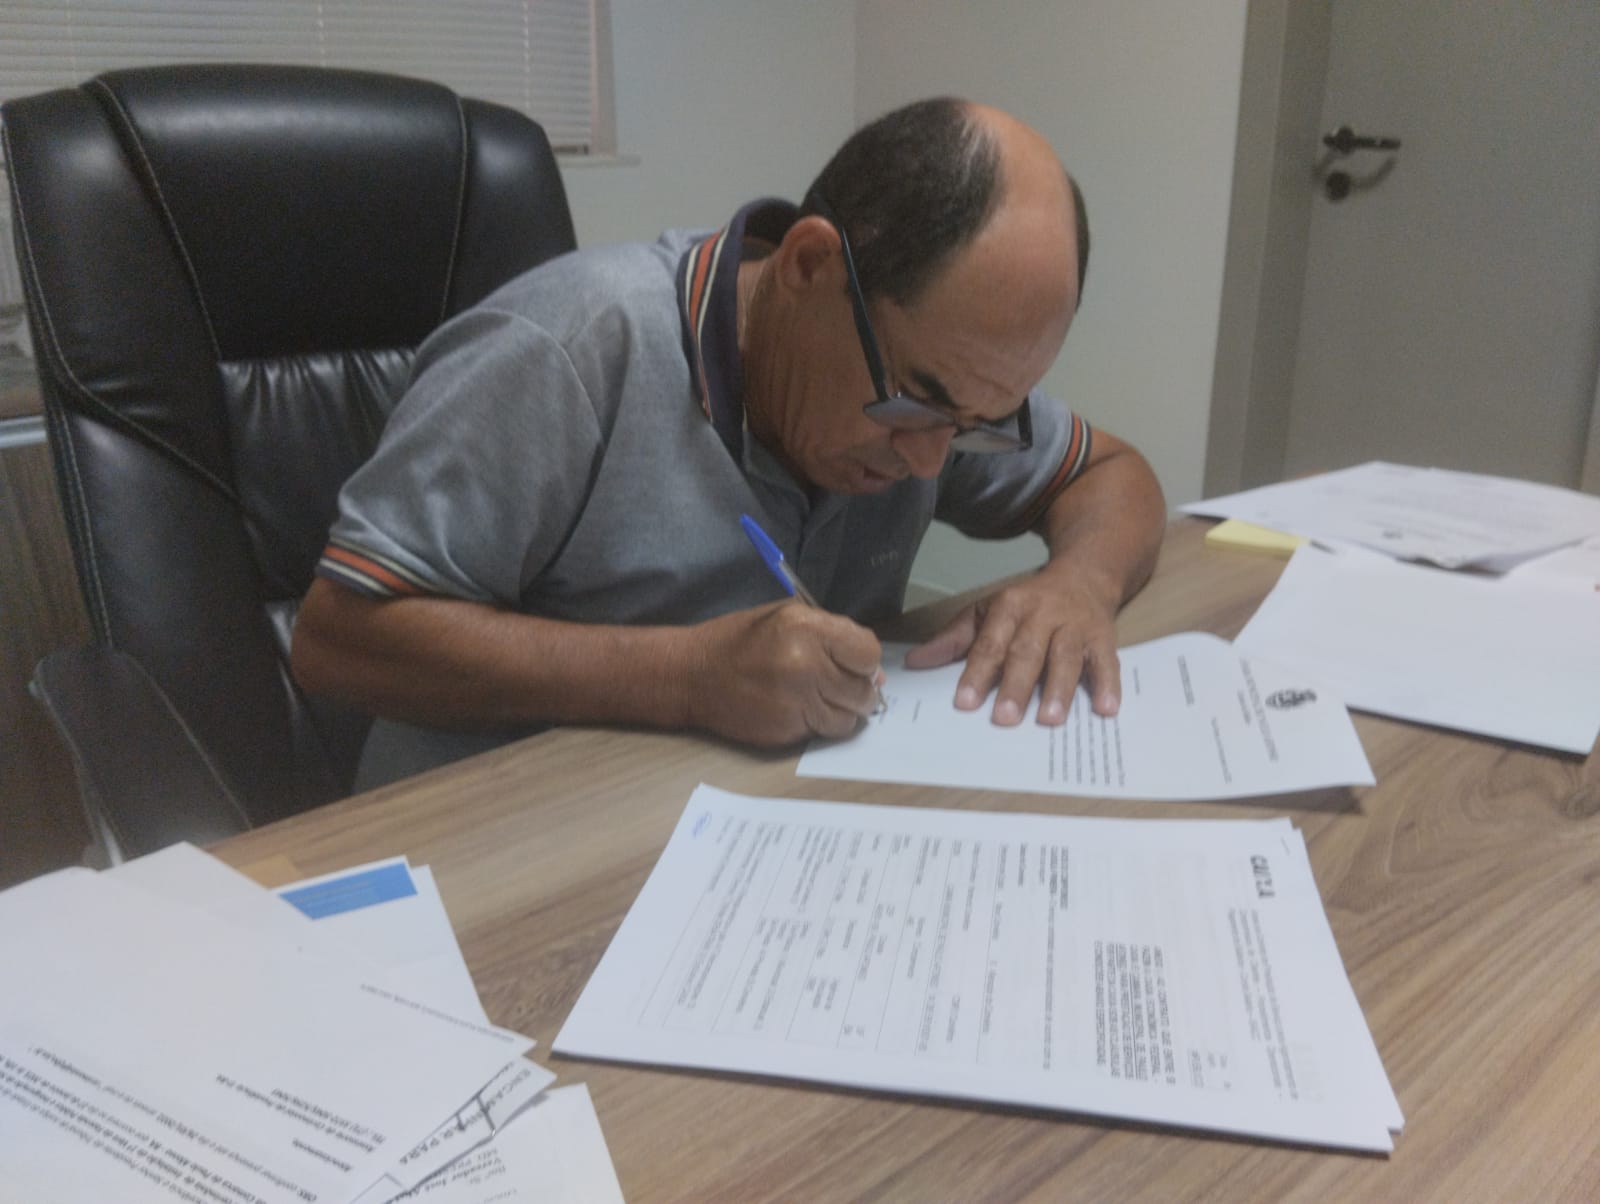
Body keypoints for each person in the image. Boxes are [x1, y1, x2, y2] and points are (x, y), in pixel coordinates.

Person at [291, 97, 1167, 787]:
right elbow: (337, 637)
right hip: (500, 851)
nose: (931, 462)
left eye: (974, 427)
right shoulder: (570, 349)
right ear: (809, 266)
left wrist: (1080, 582)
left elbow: (1111, 473)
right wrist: (686, 676)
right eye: (916, 405)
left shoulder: (942, 383)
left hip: (754, 834)